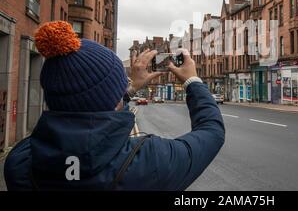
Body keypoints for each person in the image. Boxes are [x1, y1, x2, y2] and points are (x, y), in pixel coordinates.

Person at [4, 21, 225, 191]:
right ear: (113, 98)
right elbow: (212, 131)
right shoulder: (150, 162)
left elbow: (88, 105)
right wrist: (193, 81)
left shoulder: (20, 162)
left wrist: (128, 91)